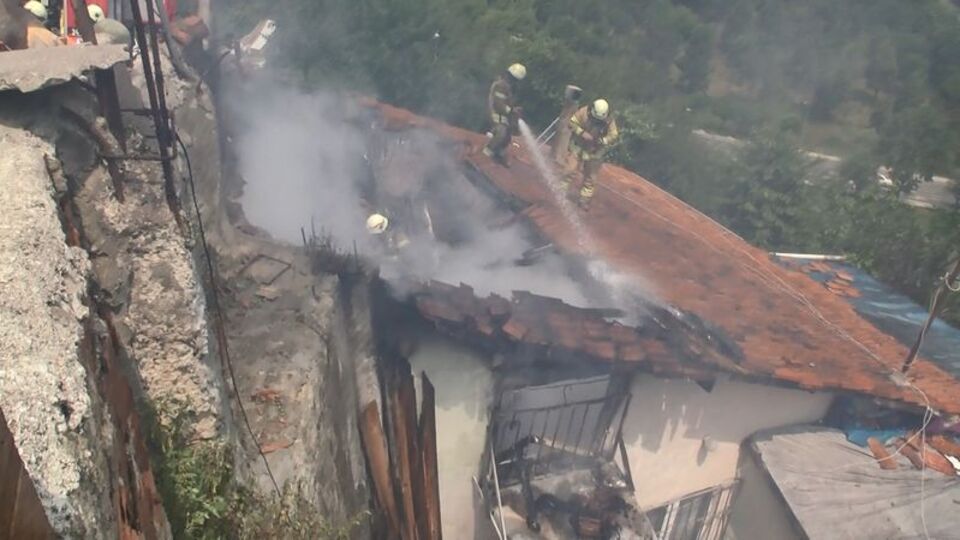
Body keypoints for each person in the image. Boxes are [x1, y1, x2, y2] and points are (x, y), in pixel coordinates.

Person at [562, 98, 619, 211]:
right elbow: (572, 123)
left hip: (595, 151)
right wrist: (582, 133)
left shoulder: (609, 120)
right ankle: (560, 191)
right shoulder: (583, 112)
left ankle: (584, 200)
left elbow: (613, 135)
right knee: (569, 169)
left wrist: (602, 141)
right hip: (578, 146)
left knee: (590, 178)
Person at [483, 63, 526, 165]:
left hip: (501, 115)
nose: (515, 81)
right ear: (509, 75)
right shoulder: (501, 85)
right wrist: (511, 111)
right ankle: (486, 153)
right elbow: (498, 104)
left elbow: (507, 105)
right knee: (501, 133)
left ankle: (498, 152)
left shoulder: (509, 88)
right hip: (493, 113)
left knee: (507, 136)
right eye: (514, 78)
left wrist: (514, 110)